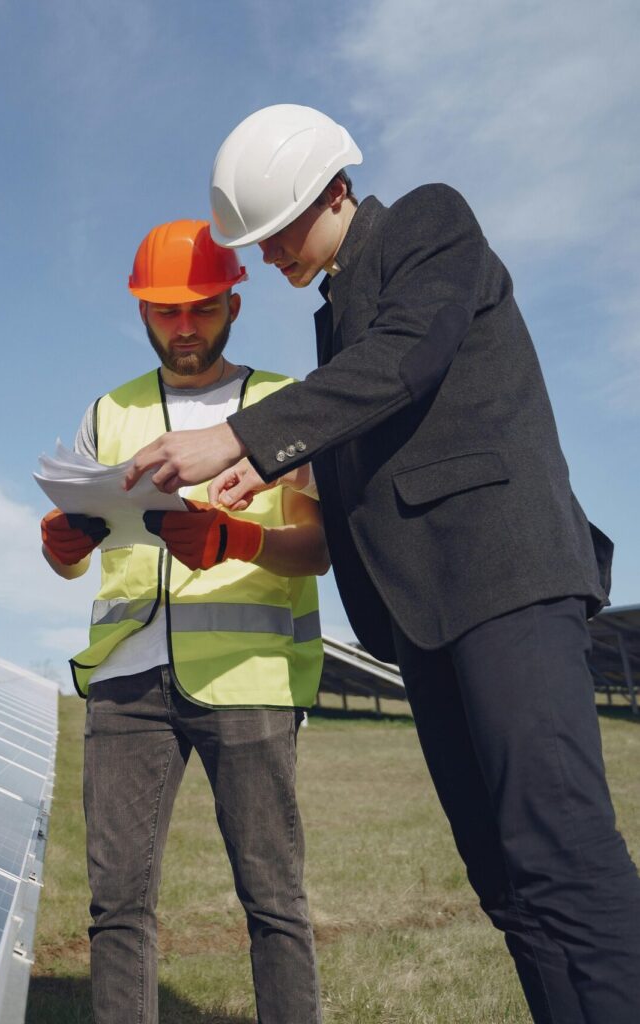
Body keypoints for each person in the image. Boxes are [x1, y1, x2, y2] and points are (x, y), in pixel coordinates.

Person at [123, 106, 640, 1024]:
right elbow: (379, 427)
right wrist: (271, 462)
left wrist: (239, 434)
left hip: (503, 579)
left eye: (272, 230)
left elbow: (403, 361)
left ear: (330, 191)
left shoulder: (428, 224)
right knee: (503, 878)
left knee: (559, 852)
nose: (266, 253)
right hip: (425, 613)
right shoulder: (335, 311)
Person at [40, 218, 328, 1024]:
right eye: (165, 311)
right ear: (141, 311)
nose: (184, 327)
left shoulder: (283, 404)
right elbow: (77, 562)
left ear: (233, 303)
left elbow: (317, 550)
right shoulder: (111, 410)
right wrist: (60, 546)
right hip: (126, 682)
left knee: (273, 902)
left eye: (200, 308)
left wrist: (239, 536)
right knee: (116, 907)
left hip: (249, 678)